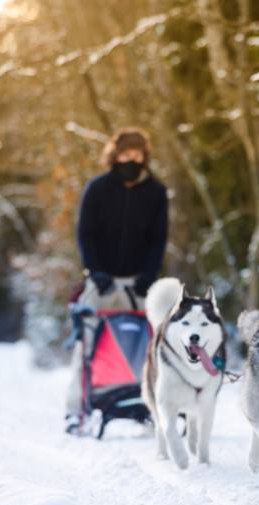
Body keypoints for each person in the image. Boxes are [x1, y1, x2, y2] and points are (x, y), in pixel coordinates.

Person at [64, 127, 168, 433]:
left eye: (136, 155)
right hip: (101, 281)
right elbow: (85, 234)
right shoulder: (97, 189)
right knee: (86, 345)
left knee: (151, 347)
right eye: (125, 154)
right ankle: (76, 411)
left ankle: (152, 407)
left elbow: (158, 239)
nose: (130, 160)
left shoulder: (156, 192)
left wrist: (149, 275)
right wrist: (96, 271)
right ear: (114, 155)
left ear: (144, 157)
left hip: (141, 283)